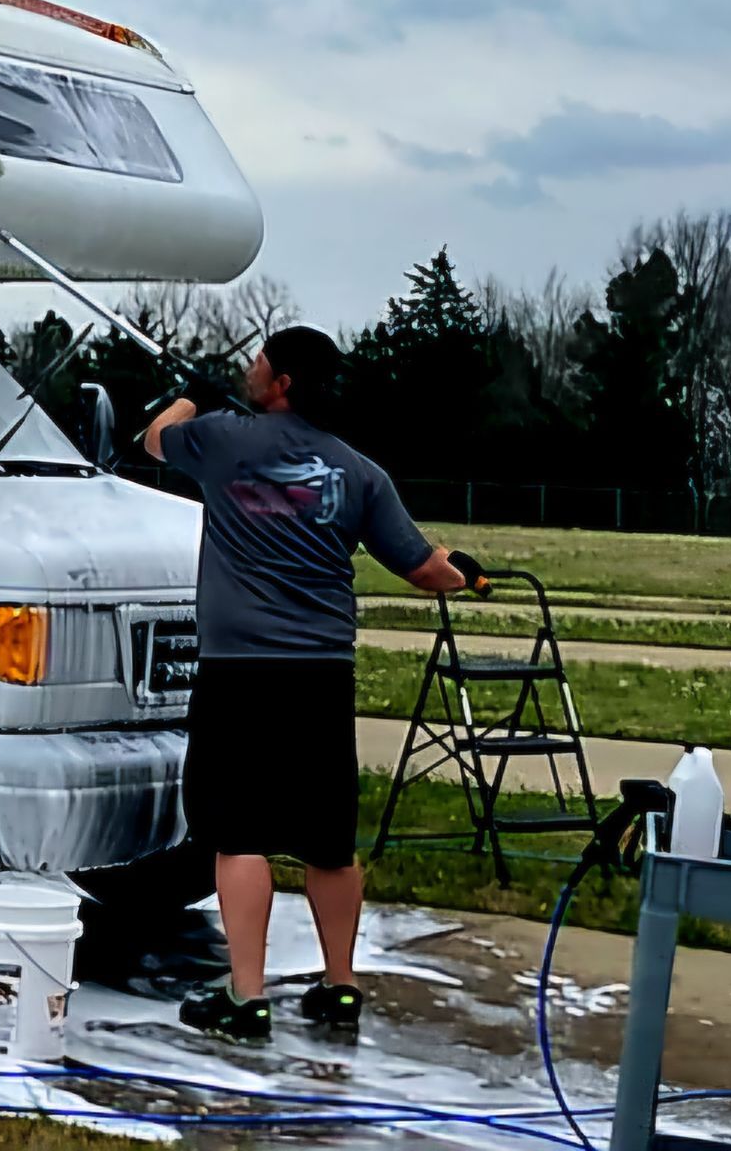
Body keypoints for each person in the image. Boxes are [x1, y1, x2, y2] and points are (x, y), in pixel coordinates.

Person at [142, 325, 488, 1042]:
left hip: (240, 673)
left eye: (259, 358)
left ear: (283, 382)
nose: (249, 365)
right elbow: (424, 567)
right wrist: (467, 573)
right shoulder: (359, 471)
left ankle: (246, 997)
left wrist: (189, 399)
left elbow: (152, 440)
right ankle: (340, 986)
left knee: (239, 838)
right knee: (330, 842)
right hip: (323, 675)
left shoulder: (221, 440)